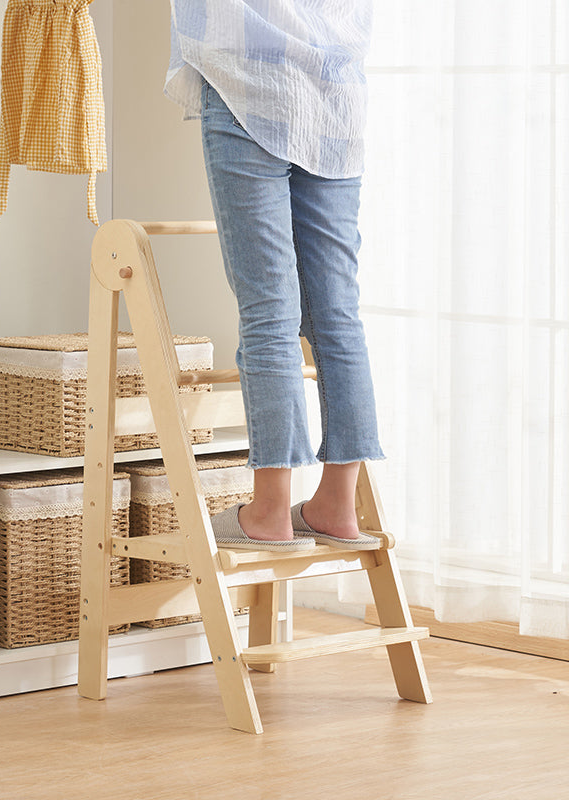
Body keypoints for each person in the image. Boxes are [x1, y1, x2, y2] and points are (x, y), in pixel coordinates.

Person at [165, 0, 384, 551]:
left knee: (269, 310)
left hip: (249, 81)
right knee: (337, 314)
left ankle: (268, 512)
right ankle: (337, 505)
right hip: (335, 92)